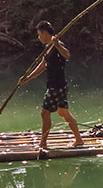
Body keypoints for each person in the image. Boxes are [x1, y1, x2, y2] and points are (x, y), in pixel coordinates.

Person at [17, 21, 84, 149]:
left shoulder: (57, 45)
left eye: (39, 34)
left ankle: (43, 143)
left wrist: (57, 44)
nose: (38, 37)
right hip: (58, 85)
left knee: (44, 113)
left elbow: (67, 55)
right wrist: (27, 78)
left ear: (45, 33)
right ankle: (79, 140)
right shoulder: (48, 48)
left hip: (57, 87)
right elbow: (43, 65)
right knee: (63, 112)